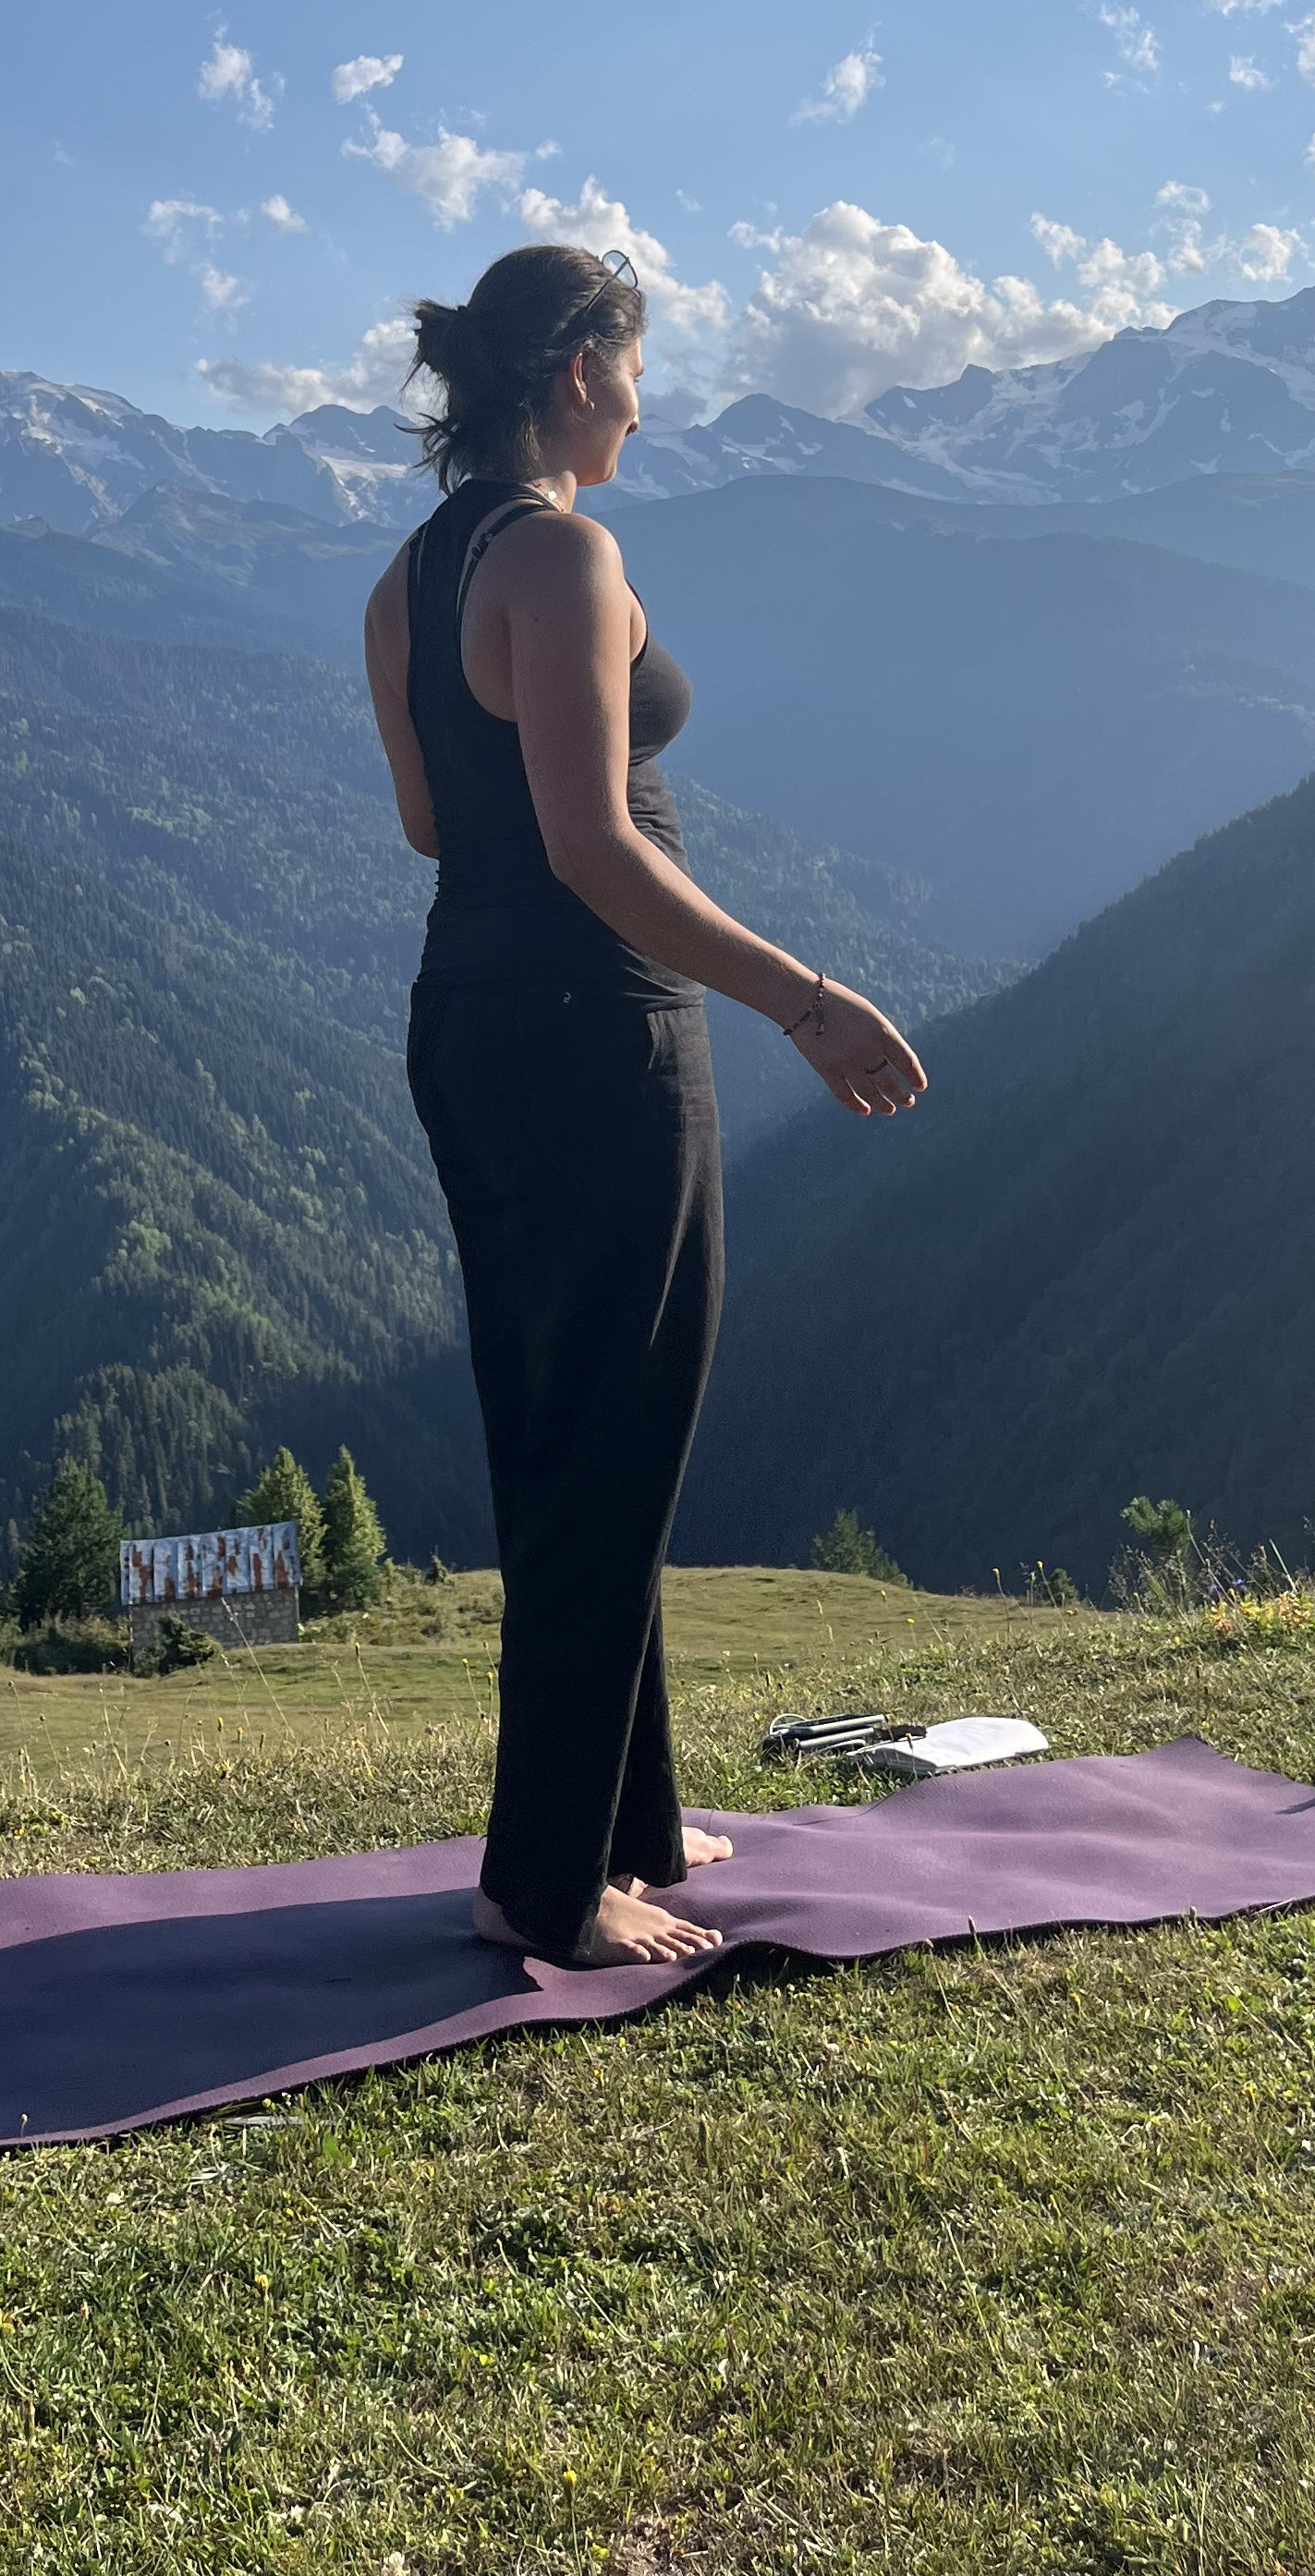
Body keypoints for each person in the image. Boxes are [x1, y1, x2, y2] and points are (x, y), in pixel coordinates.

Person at [366, 240, 927, 1967]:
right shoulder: (563, 553)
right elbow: (591, 842)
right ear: (574, 372)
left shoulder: (409, 577)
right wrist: (807, 1003)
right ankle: (544, 1882)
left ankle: (632, 1817)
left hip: (469, 1017)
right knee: (620, 1426)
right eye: (632, 362)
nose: (642, 397)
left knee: (565, 1415)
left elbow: (431, 827)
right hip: (598, 1031)